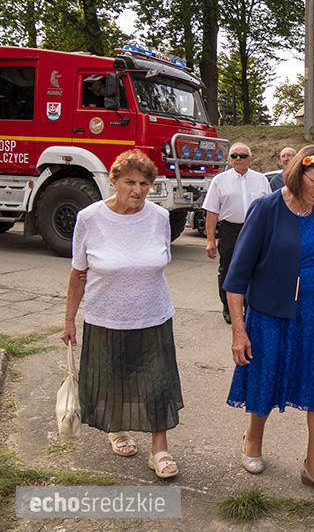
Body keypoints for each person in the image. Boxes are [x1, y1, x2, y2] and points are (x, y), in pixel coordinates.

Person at [223, 145, 314, 502]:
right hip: (270, 312)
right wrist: (238, 330)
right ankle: (253, 439)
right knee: (265, 377)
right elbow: (237, 277)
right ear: (297, 174)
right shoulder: (266, 209)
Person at [60, 149, 182, 479]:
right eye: (130, 182)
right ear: (113, 181)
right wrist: (69, 320)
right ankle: (118, 429)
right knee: (114, 378)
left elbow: (160, 262)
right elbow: (78, 273)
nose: (138, 190)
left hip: (153, 315)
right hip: (106, 317)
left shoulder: (159, 218)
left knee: (157, 382)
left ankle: (159, 450)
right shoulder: (90, 218)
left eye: (144, 184)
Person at [202, 143, 271, 324]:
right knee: (227, 269)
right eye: (234, 156)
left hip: (255, 229)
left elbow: (269, 210)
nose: (238, 158)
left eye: (242, 155)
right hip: (229, 230)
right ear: (230, 159)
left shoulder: (261, 180)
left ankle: (250, 308)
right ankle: (228, 308)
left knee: (255, 270)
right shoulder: (219, 180)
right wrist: (210, 241)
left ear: (250, 159)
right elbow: (211, 212)